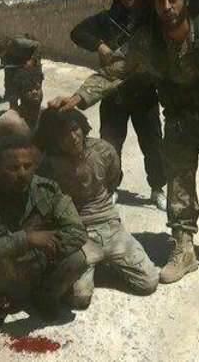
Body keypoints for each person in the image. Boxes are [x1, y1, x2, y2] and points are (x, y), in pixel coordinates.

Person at [50, 0, 199, 283]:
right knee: (178, 185)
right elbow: (115, 71)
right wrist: (78, 98)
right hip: (179, 121)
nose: (167, 7)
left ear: (186, 0)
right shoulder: (147, 40)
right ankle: (184, 249)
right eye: (160, 1)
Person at [35, 109, 158, 309]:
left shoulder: (103, 150)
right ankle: (90, 266)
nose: (72, 137)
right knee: (80, 298)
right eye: (63, 134)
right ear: (54, 139)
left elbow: (112, 180)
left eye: (74, 129)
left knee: (148, 283)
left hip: (109, 224)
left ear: (82, 127)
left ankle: (106, 262)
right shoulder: (48, 164)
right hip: (77, 232)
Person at [0, 135, 87, 323]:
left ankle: (45, 296)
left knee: (77, 259)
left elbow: (77, 232)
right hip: (5, 271)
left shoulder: (47, 190)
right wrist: (26, 239)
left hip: (38, 265)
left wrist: (45, 247)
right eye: (13, 168)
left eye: (27, 166)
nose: (22, 173)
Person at [70, 0, 166, 211]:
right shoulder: (107, 19)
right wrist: (99, 45)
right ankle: (111, 188)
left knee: (153, 144)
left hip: (145, 93)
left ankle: (157, 188)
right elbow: (77, 33)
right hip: (114, 93)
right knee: (110, 145)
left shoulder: (150, 18)